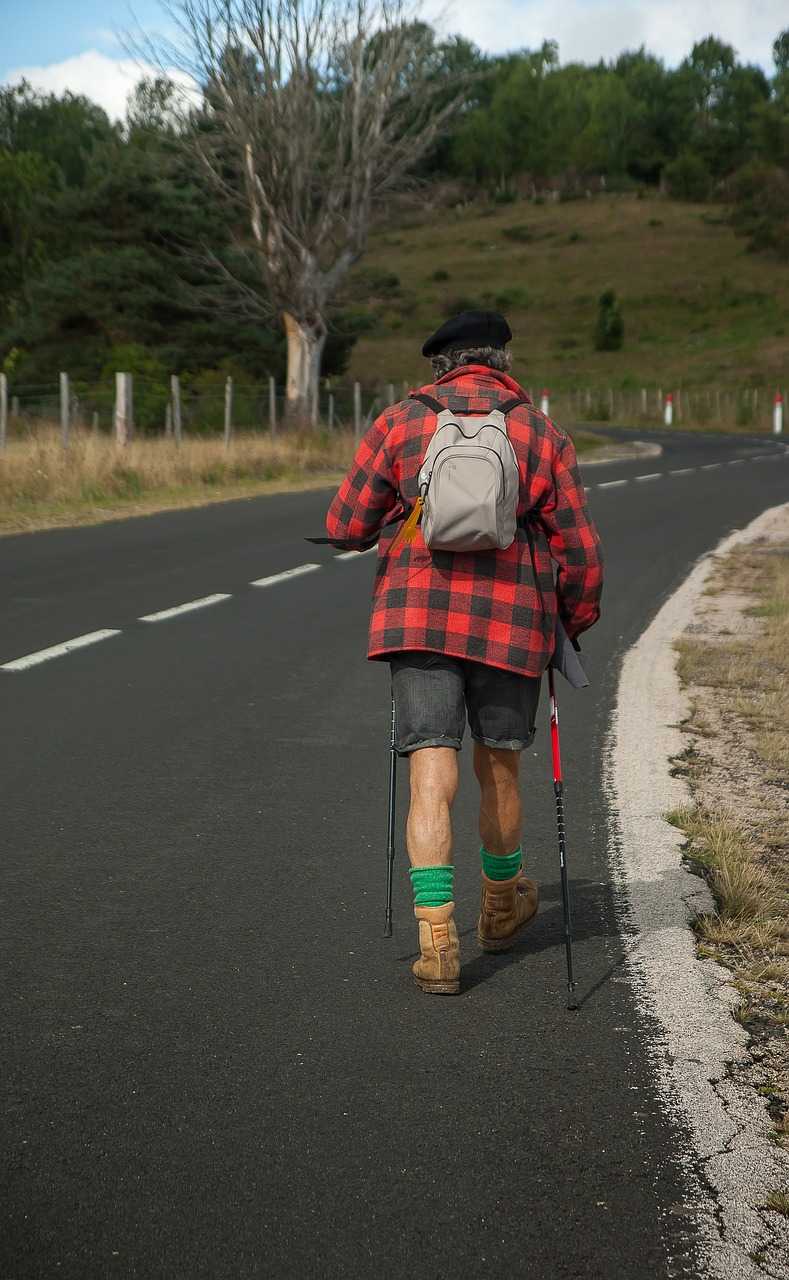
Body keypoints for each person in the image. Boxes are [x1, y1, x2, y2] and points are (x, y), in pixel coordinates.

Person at [326, 310, 603, 995]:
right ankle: (501, 906)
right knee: (500, 770)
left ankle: (437, 939)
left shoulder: (398, 421)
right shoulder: (538, 430)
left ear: (439, 365)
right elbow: (580, 550)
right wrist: (567, 620)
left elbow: (345, 526)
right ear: (501, 361)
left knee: (430, 769)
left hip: (417, 618)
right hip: (512, 621)